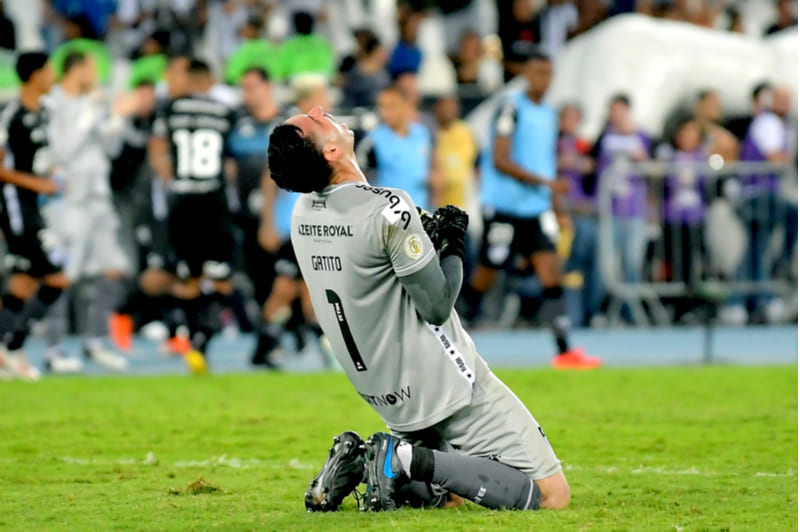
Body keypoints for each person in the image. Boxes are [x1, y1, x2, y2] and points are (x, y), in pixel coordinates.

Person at [267, 104, 572, 513]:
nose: (320, 110)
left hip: (386, 393)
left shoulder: (303, 214)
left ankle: (361, 462)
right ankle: (401, 458)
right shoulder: (388, 207)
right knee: (552, 497)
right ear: (331, 153)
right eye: (315, 120)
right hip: (444, 384)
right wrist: (453, 247)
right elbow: (437, 305)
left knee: (453, 498)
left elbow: (369, 265)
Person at [458, 49, 599, 369]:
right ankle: (449, 339)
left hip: (535, 210)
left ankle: (564, 351)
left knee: (551, 273)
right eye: (537, 72)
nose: (543, 80)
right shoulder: (510, 109)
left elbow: (545, 165)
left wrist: (556, 206)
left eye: (548, 73)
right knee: (485, 275)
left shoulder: (549, 115)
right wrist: (547, 185)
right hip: (505, 207)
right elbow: (500, 160)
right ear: (525, 74)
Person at [45, 51, 135, 371]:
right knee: (63, 275)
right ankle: (53, 349)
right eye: (92, 69)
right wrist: (91, 111)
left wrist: (117, 118)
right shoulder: (53, 103)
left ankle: (95, 342)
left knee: (113, 268)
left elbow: (110, 149)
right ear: (76, 70)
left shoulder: (92, 103)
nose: (96, 76)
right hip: (69, 200)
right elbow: (63, 149)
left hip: (99, 198)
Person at [148, 58, 238, 373]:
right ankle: (201, 342)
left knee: (187, 278)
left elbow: (157, 149)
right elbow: (230, 163)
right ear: (211, 80)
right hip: (213, 201)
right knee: (222, 279)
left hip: (182, 200)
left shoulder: (169, 109)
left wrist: (170, 180)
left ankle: (186, 340)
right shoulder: (225, 112)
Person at [0, 52, 78, 378]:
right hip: (16, 206)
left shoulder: (45, 113)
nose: (53, 76)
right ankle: (12, 347)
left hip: (37, 206)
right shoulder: (11, 114)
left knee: (23, 282)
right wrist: (38, 183)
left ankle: (8, 351)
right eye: (48, 70)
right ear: (34, 76)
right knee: (57, 277)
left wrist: (55, 176)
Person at [248, 74, 330, 368]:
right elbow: (269, 179)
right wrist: (266, 223)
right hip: (292, 226)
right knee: (287, 288)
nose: (328, 99)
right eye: (322, 94)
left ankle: (313, 348)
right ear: (308, 99)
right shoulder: (291, 131)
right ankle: (268, 346)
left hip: (315, 224)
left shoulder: (324, 132)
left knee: (309, 290)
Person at [358, 85, 442, 211]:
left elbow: (435, 169)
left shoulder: (422, 134)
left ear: (405, 105)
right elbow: (360, 183)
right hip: (388, 218)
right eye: (382, 107)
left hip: (420, 213)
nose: (385, 112)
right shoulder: (373, 141)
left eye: (391, 106)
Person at [557, 103, 603, 328]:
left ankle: (590, 311)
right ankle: (571, 313)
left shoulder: (584, 145)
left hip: (582, 209)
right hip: (562, 210)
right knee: (570, 258)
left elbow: (594, 168)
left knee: (590, 255)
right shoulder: (551, 144)